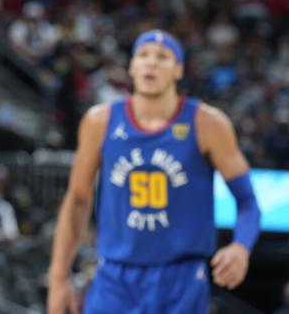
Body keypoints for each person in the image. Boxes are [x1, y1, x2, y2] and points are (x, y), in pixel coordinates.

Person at [47, 30, 262, 314]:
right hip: (114, 277)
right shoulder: (99, 121)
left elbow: (248, 201)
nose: (151, 63)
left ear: (178, 70)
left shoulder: (208, 123)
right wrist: (58, 278)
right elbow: (77, 201)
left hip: (181, 279)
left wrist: (241, 247)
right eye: (144, 55)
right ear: (133, 66)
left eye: (163, 57)